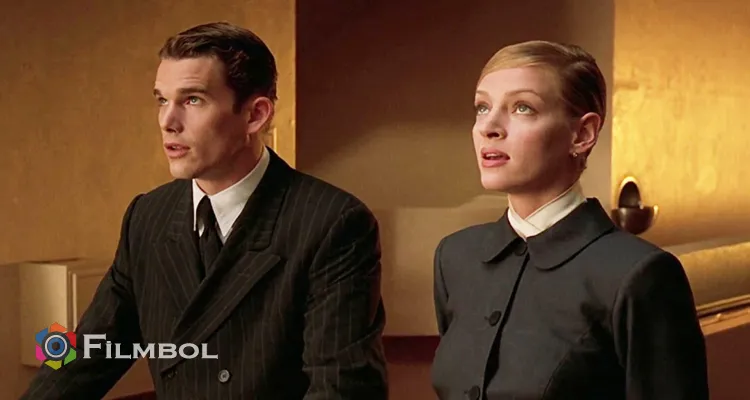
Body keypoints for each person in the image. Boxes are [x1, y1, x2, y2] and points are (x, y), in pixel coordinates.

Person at [21, 22, 388, 399]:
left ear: (255, 115)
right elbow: (87, 352)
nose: (167, 122)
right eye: (162, 100)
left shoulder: (333, 223)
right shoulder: (148, 216)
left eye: (192, 100)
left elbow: (342, 388)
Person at [430, 40, 709, 400]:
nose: (489, 127)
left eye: (522, 107)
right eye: (482, 108)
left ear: (583, 134)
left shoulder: (639, 275)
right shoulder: (455, 257)